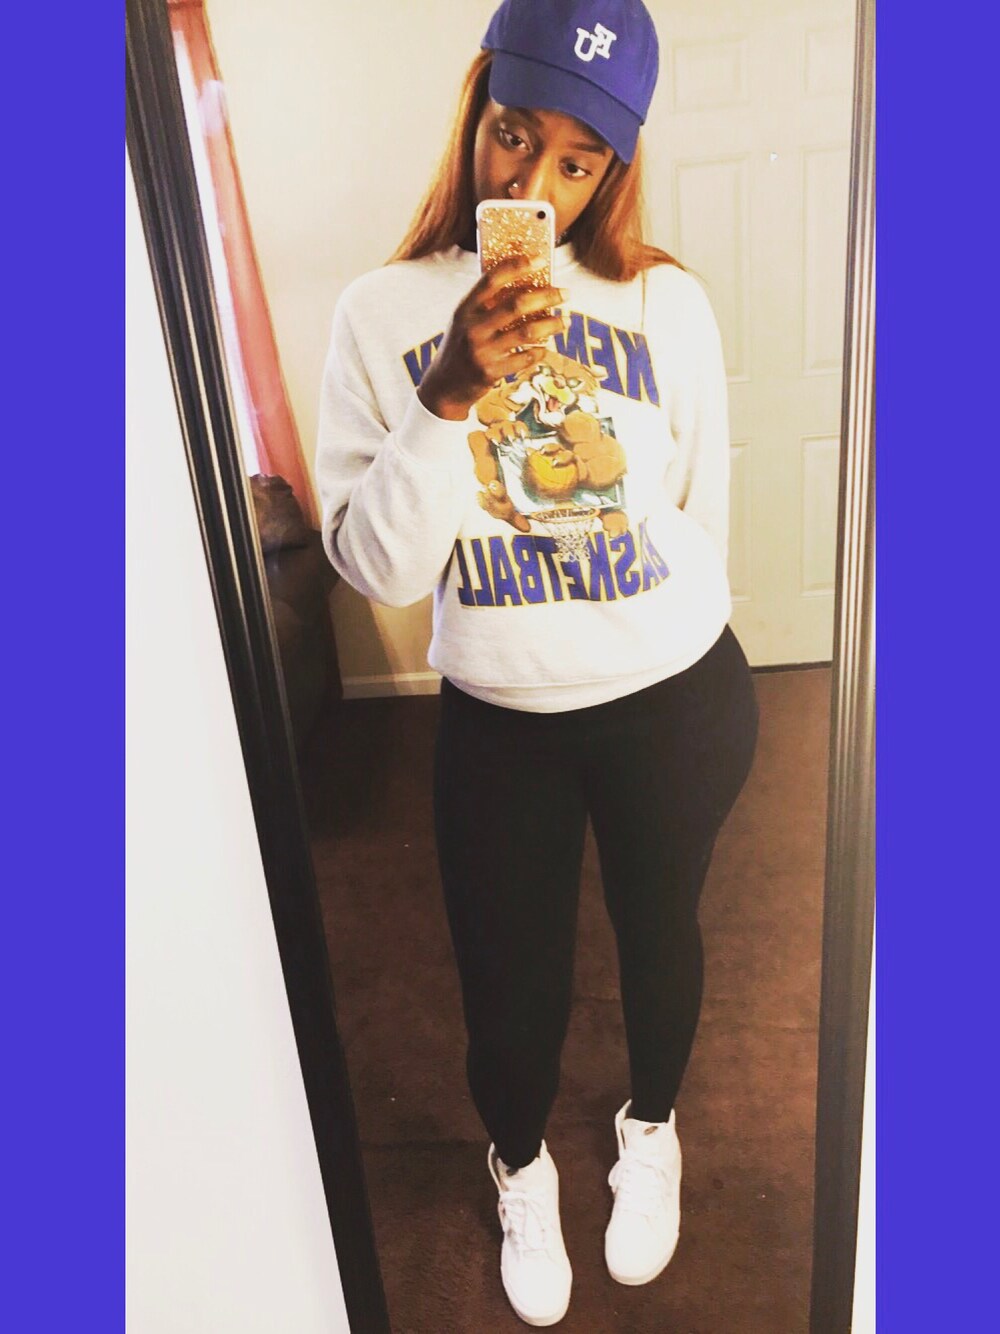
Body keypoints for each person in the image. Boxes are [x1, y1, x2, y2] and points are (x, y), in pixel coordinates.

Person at [315, 0, 759, 1325]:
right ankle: (520, 1165)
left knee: (662, 938)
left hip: (674, 699)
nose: (536, 184)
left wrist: (664, 618)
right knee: (510, 994)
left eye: (577, 160)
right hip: (500, 722)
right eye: (516, 135)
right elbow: (378, 568)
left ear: (613, 168)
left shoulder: (665, 301)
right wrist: (448, 396)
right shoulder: (379, 314)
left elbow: (702, 518)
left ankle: (650, 1126)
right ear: (476, 110)